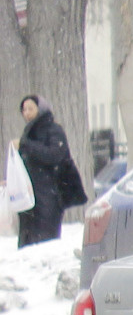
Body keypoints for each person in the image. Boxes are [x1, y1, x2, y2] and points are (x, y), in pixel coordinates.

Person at [17, 97, 85, 247]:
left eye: (30, 108)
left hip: (49, 196)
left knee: (45, 244)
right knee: (28, 245)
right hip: (31, 198)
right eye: (24, 110)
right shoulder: (28, 134)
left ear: (41, 109)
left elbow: (54, 155)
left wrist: (26, 145)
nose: (26, 113)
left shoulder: (53, 130)